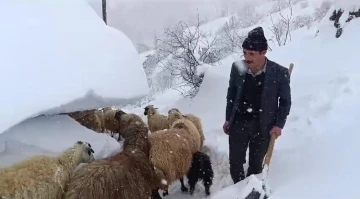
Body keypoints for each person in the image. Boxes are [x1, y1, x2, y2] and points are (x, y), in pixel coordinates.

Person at [223, 26, 292, 184]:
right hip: (239, 123)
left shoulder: (279, 73)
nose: (247, 57)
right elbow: (231, 95)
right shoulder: (237, 68)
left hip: (263, 126)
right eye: (245, 52)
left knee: (255, 166)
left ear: (263, 52)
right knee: (235, 164)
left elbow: (285, 102)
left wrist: (278, 125)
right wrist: (228, 119)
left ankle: (251, 190)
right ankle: (238, 190)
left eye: (252, 53)